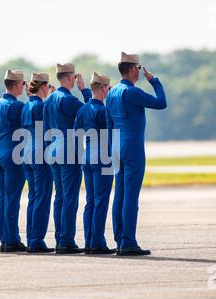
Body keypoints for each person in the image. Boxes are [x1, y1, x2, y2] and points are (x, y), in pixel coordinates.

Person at [106, 52, 167, 256]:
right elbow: (161, 102)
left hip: (116, 145)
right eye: (139, 69)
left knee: (120, 195)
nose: (140, 73)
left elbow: (108, 124)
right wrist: (154, 80)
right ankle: (128, 242)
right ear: (133, 69)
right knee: (131, 197)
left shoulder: (112, 92)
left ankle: (120, 240)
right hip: (132, 146)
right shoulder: (132, 92)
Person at [43, 63, 92, 254]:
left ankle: (59, 238)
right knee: (70, 197)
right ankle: (66, 240)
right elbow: (91, 111)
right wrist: (85, 90)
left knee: (60, 197)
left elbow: (45, 127)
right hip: (68, 150)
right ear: (70, 78)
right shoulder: (68, 100)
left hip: (53, 149)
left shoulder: (49, 99)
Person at [74, 72, 115, 254]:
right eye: (108, 88)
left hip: (87, 157)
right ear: (103, 88)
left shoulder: (83, 110)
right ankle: (97, 242)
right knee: (101, 201)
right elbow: (111, 134)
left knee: (90, 201)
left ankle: (89, 241)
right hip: (102, 158)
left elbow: (76, 132)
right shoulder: (104, 111)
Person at [0, 70, 26, 253]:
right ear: (17, 84)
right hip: (13, 155)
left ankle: (5, 237)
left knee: (3, 197)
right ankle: (12, 239)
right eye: (23, 83)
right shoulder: (18, 106)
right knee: (12, 198)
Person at [21, 73, 55, 253]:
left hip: (26, 150)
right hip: (40, 152)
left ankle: (31, 237)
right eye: (48, 86)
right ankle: (36, 240)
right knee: (42, 197)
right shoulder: (41, 105)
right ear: (43, 87)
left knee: (33, 197)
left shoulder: (26, 106)